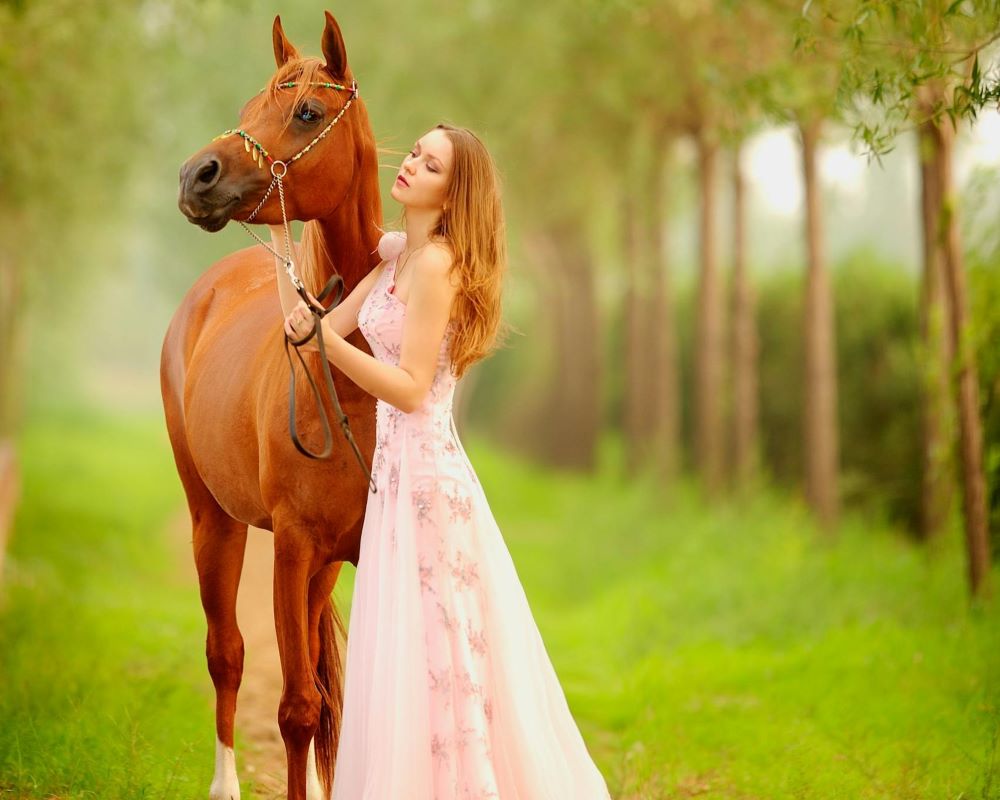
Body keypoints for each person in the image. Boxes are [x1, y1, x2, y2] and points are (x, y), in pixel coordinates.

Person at [277, 123, 612, 799]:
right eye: (417, 154)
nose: (411, 166)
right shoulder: (400, 254)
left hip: (430, 484)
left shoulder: (437, 268)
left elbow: (406, 386)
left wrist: (325, 345)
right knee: (407, 659)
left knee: (443, 656)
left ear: (451, 194)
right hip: (395, 484)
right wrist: (282, 236)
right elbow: (313, 329)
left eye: (431, 165)